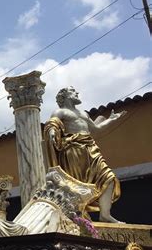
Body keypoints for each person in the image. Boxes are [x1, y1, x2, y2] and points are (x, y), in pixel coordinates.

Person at [45, 86, 126, 223]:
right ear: (64, 96)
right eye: (73, 91)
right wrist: (52, 131)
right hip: (73, 150)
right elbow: (53, 123)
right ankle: (75, 217)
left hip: (91, 149)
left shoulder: (84, 113)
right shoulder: (60, 111)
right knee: (75, 184)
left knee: (109, 177)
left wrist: (111, 119)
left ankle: (105, 214)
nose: (76, 92)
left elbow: (96, 128)